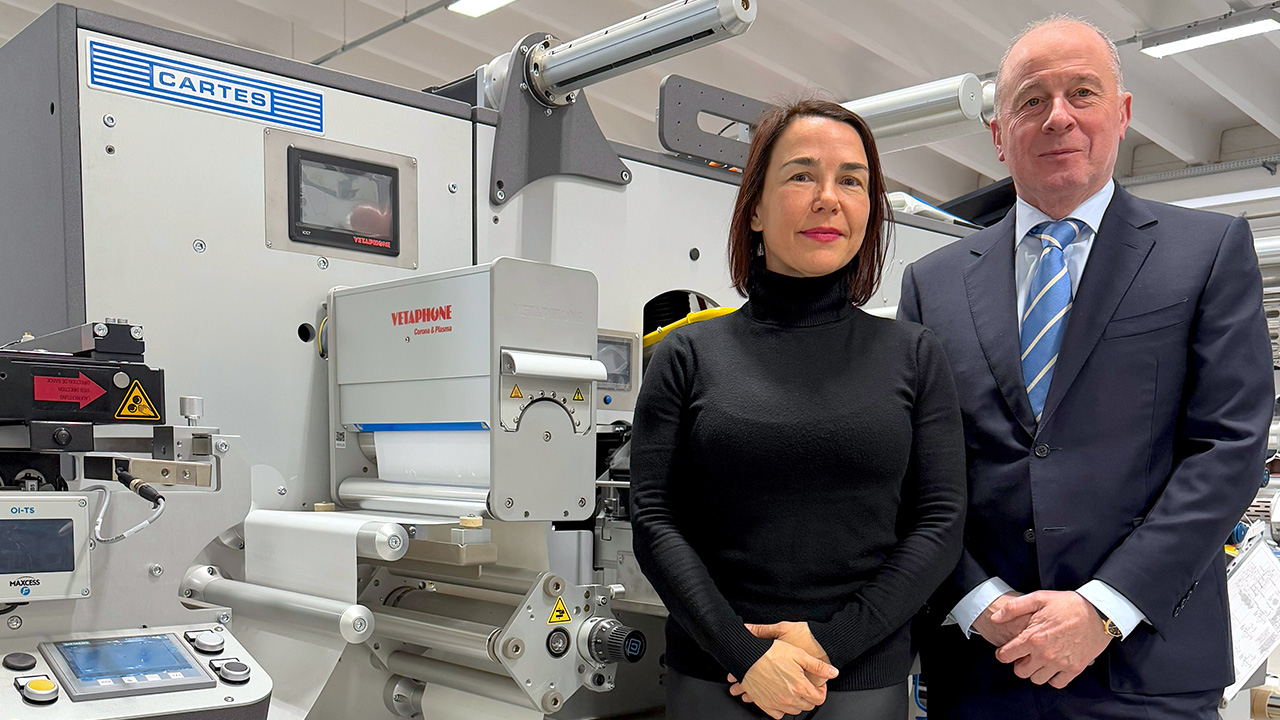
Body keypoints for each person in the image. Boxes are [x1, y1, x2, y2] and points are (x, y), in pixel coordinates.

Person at [898, 15, 1273, 719]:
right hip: (983, 664)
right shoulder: (932, 284)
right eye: (1031, 101)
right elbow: (916, 467)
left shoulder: (1207, 251)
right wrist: (977, 602)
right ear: (998, 133)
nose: (1058, 117)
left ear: (1122, 113)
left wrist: (1103, 608)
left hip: (1146, 664)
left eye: (1082, 92)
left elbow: (1228, 449)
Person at [630, 98, 967, 720]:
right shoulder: (688, 353)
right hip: (719, 679)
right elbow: (654, 517)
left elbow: (940, 523)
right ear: (755, 208)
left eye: (851, 180)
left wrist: (827, 643)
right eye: (802, 175)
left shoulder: (913, 356)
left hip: (861, 680)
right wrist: (743, 654)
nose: (828, 198)